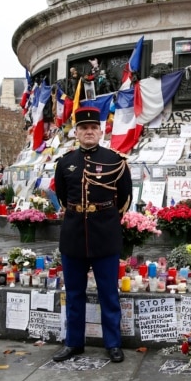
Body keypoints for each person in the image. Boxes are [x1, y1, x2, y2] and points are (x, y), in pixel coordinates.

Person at [53, 106, 132, 363]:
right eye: (84, 128)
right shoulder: (65, 162)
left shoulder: (115, 160)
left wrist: (106, 220)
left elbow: (125, 198)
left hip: (105, 235)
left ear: (101, 131)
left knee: (108, 293)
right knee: (74, 294)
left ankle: (113, 344)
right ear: (76, 132)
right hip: (74, 235)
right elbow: (64, 197)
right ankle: (74, 343)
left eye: (93, 128)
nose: (89, 132)